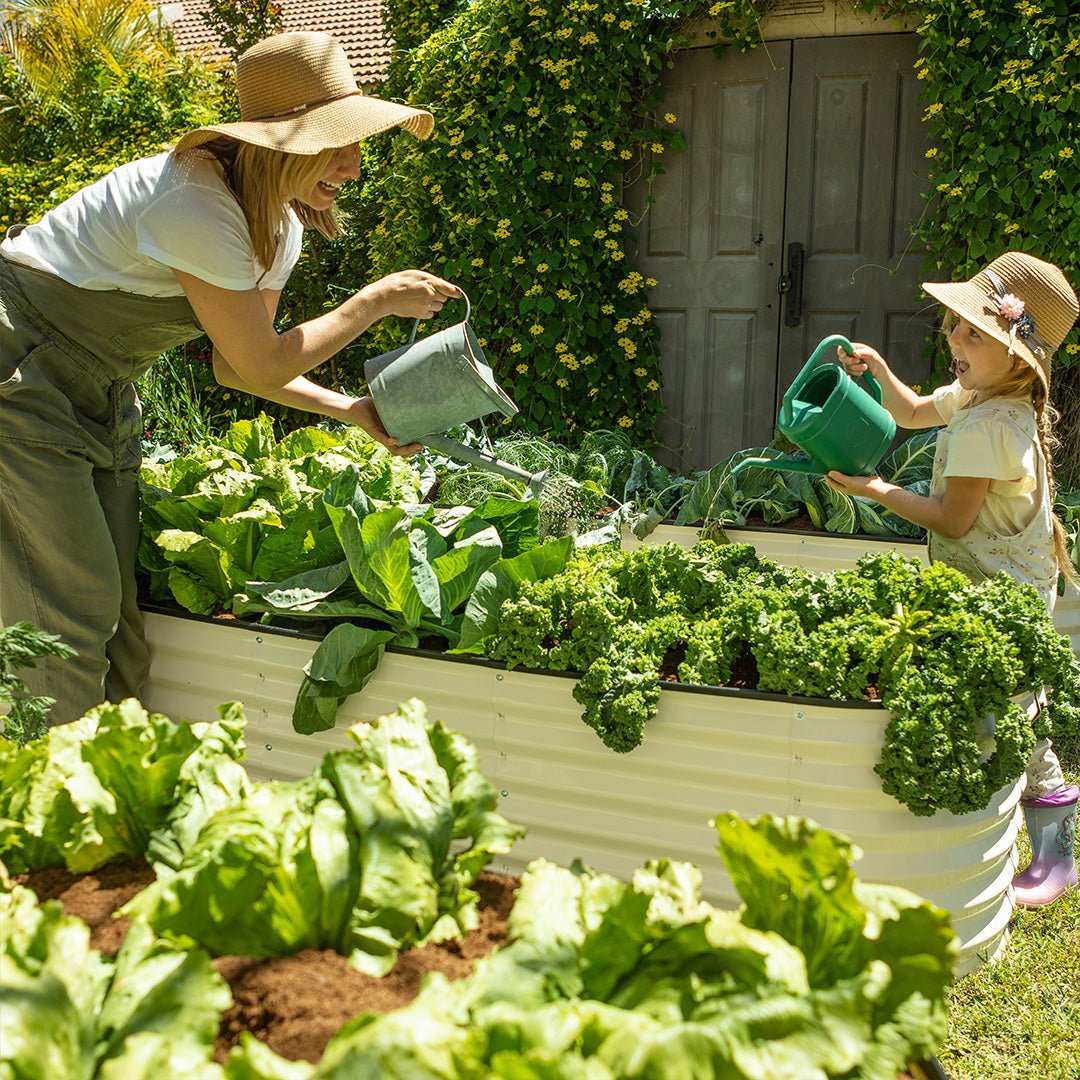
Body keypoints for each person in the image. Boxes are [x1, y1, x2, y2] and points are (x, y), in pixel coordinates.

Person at [0, 31, 461, 726]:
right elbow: (261, 362)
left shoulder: (277, 225)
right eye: (338, 142)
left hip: (96, 389)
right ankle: (43, 810)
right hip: (18, 376)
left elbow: (236, 367)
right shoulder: (192, 200)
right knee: (69, 608)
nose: (355, 166)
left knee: (119, 613)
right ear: (279, 143)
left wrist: (352, 409)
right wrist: (371, 301)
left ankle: (120, 789)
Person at [826, 250, 1079, 908]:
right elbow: (911, 412)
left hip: (1004, 600)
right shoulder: (982, 395)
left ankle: (1053, 851)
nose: (954, 339)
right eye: (955, 325)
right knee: (1022, 710)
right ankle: (1048, 837)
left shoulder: (991, 429)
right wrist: (878, 370)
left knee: (1012, 718)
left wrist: (876, 489)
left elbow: (954, 521)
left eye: (974, 332)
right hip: (993, 585)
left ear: (1018, 356)